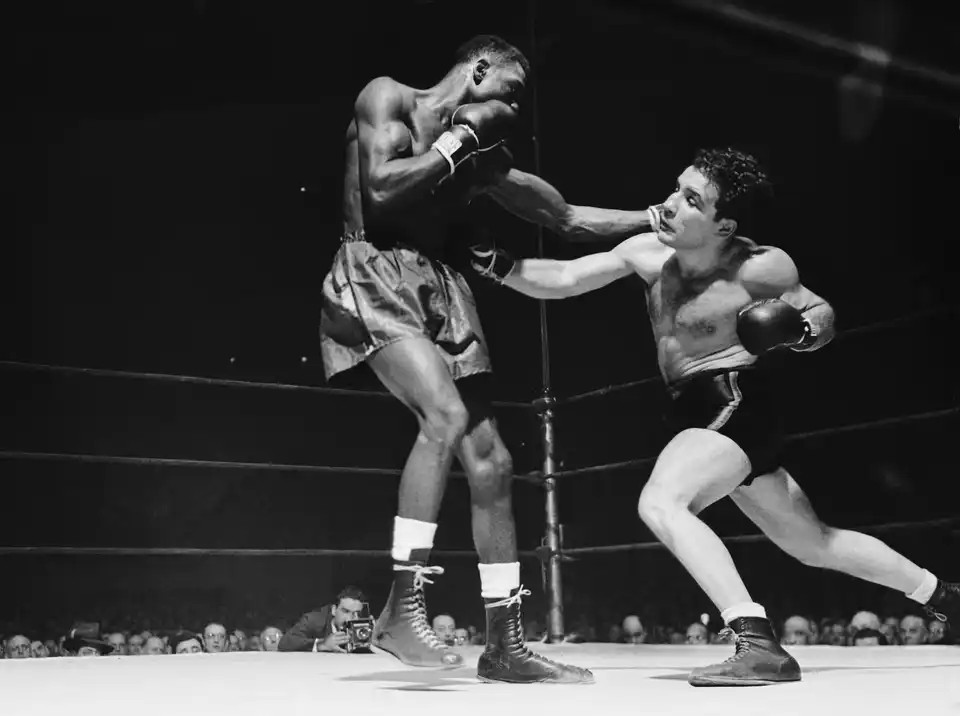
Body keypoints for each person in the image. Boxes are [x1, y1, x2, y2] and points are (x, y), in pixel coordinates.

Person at [471, 146, 959, 685]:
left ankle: (757, 642)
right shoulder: (649, 253)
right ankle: (945, 596)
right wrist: (496, 265)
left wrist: (801, 332)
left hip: (736, 400)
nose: (670, 205)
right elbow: (564, 277)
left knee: (662, 502)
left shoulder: (759, 267)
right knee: (815, 543)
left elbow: (819, 311)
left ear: (723, 224)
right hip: (697, 411)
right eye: (675, 188)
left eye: (690, 199)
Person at [320, 35, 660, 684]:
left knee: (493, 463)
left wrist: (654, 218)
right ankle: (400, 605)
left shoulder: (483, 155)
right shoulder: (390, 97)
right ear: (478, 71)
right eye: (509, 91)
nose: (513, 108)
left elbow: (564, 217)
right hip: (374, 268)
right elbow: (383, 188)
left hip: (443, 288)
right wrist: (458, 142)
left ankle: (505, 643)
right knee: (443, 416)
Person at [279, 585, 371, 653]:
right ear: (334, 610)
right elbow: (285, 643)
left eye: (356, 613)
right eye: (346, 611)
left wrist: (374, 638)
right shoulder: (315, 620)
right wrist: (321, 644)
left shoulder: (365, 625)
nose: (350, 619)